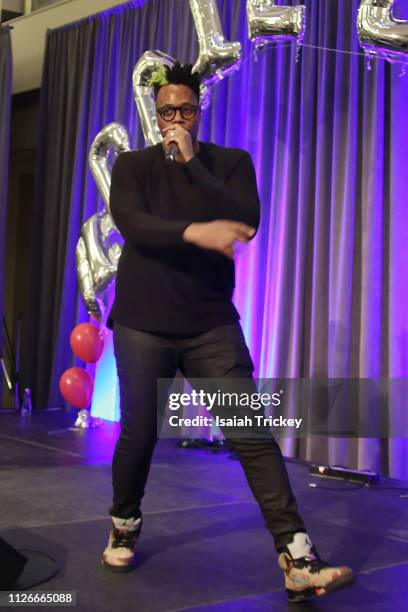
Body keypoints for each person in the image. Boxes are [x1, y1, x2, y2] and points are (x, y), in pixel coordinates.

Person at [100, 62, 354, 602]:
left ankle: (298, 555)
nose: (175, 120)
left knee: (251, 436)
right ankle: (124, 520)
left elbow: (246, 217)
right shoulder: (133, 166)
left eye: (185, 110)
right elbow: (132, 223)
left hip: (210, 324)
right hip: (144, 321)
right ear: (155, 113)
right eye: (166, 110)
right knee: (140, 433)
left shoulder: (229, 164)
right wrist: (194, 229)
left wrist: (193, 166)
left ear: (199, 110)